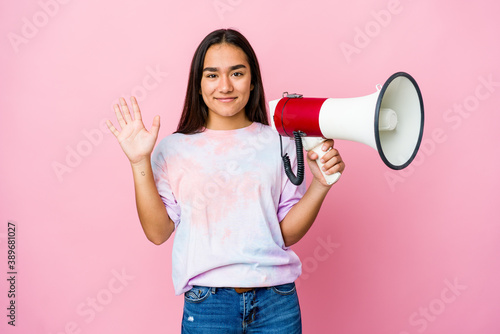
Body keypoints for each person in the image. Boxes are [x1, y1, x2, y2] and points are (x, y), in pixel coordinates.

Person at [106, 28, 345, 334]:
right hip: (208, 306)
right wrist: (139, 161)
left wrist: (320, 185)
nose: (226, 86)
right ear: (199, 83)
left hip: (277, 302)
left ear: (253, 80)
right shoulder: (173, 148)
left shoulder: (280, 142)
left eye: (237, 73)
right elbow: (157, 232)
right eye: (212, 75)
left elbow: (283, 234)